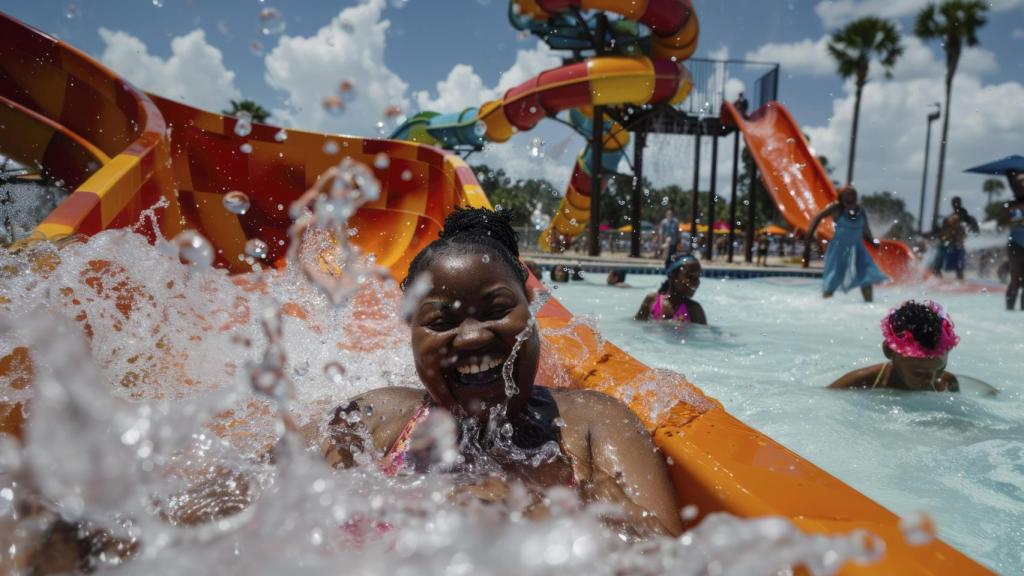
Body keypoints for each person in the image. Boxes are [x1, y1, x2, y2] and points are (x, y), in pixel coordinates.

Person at [316, 208, 683, 537]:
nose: (473, 336)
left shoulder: (594, 424)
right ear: (411, 330)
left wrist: (535, 518)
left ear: (531, 308)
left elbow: (665, 560)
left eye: (497, 310)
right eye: (441, 321)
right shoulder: (376, 419)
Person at [828, 300, 959, 392]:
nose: (931, 380)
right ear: (889, 351)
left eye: (940, 369)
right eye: (919, 373)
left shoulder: (946, 383)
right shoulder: (858, 383)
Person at [803, 185, 888, 302]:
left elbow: (865, 229)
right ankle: (825, 301)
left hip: (858, 248)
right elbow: (818, 217)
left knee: (867, 273)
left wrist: (872, 241)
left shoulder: (860, 210)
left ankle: (869, 305)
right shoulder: (836, 208)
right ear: (841, 195)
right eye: (848, 193)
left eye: (853, 193)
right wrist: (810, 234)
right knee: (835, 275)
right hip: (839, 248)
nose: (851, 196)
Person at [635, 254, 707, 324]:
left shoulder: (694, 309)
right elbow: (637, 325)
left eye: (698, 277)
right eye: (690, 276)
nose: (696, 282)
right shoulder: (652, 300)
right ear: (672, 276)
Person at [930, 196, 980, 280]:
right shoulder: (949, 218)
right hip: (946, 243)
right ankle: (938, 280)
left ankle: (959, 282)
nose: (956, 204)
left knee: (959, 266)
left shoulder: (966, 218)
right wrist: (939, 236)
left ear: (960, 203)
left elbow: (975, 229)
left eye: (957, 202)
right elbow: (943, 231)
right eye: (954, 202)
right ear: (952, 204)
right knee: (938, 264)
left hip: (958, 244)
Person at [1000, 170, 1024, 310]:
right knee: (1015, 281)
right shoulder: (1010, 205)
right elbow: (1001, 223)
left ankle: (1021, 316)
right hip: (1015, 244)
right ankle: (1009, 311)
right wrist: (1014, 221)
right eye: (1019, 183)